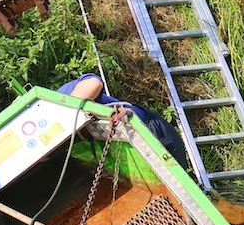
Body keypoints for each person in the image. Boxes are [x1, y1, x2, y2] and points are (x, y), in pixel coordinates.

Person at [56, 73, 190, 170]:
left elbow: (93, 83)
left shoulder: (53, 101)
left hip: (147, 128)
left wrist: (64, 115)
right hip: (123, 154)